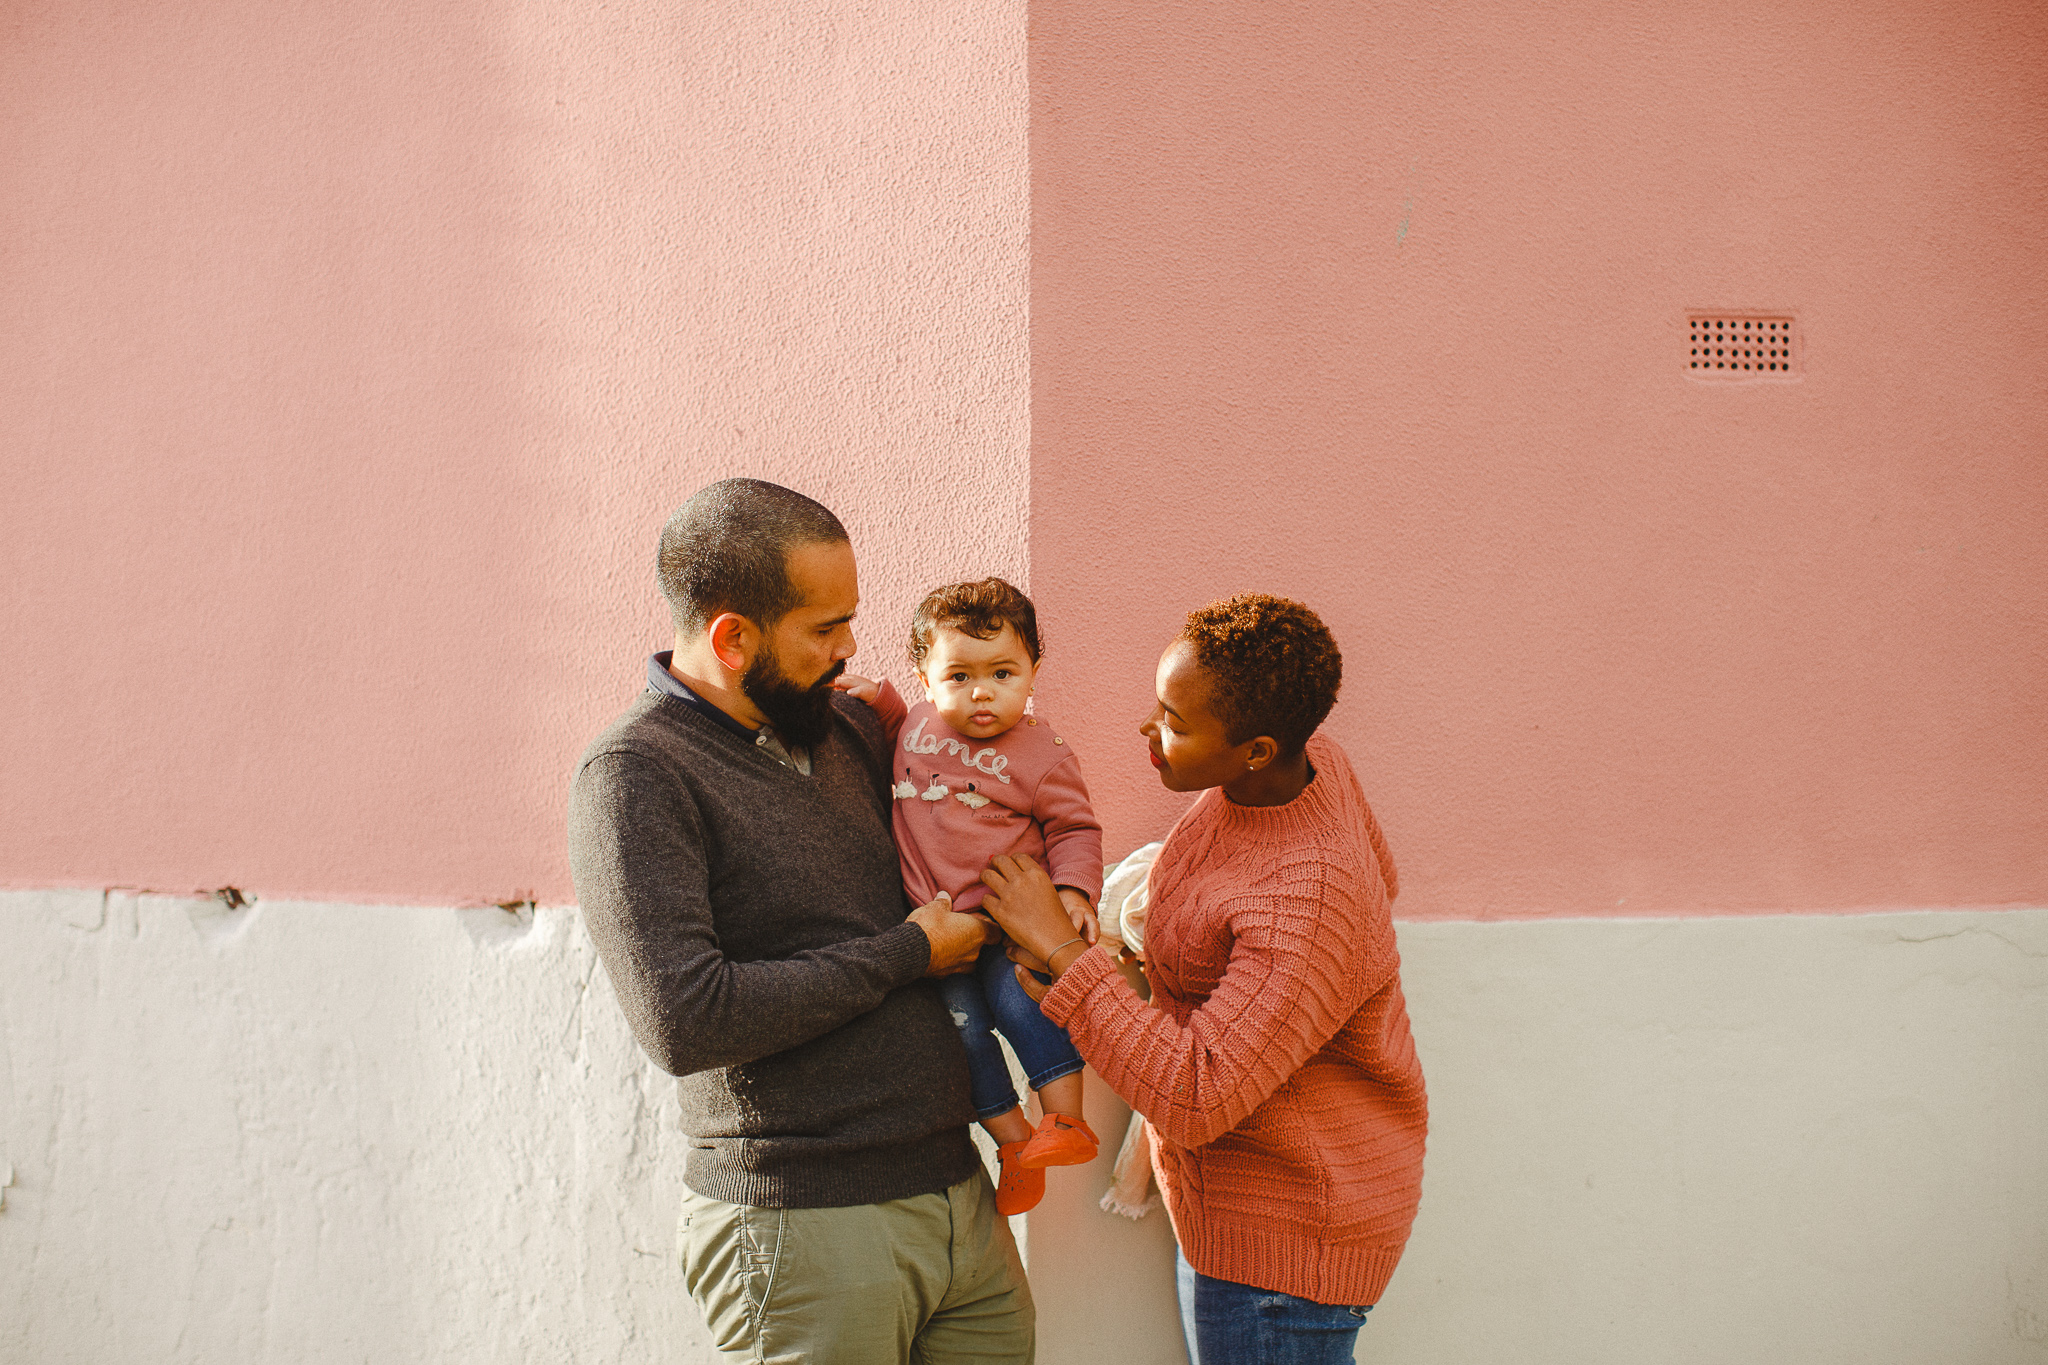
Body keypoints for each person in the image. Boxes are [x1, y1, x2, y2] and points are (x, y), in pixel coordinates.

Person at [567, 479, 1034, 1365]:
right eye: (824, 628)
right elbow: (684, 1019)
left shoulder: (846, 729)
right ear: (734, 638)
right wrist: (908, 952)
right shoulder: (635, 774)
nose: (849, 647)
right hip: (803, 1226)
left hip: (956, 1194)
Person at [978, 593, 1427, 1365]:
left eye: (1176, 724)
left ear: (1255, 748)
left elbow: (1197, 1095)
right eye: (1159, 705)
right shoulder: (1296, 776)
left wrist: (1064, 957)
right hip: (1240, 1218)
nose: (1149, 730)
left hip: (1285, 1250)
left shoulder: (1310, 891)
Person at [838, 578, 1105, 1217]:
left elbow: (1075, 828)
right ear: (925, 679)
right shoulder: (918, 724)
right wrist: (878, 701)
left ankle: (1066, 1122)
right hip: (936, 929)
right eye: (958, 675)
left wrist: (1073, 891)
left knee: (1024, 1010)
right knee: (959, 1036)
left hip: (1008, 922)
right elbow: (899, 727)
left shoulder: (1043, 753)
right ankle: (1013, 1144)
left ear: (1033, 671)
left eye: (1003, 673)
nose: (981, 692)